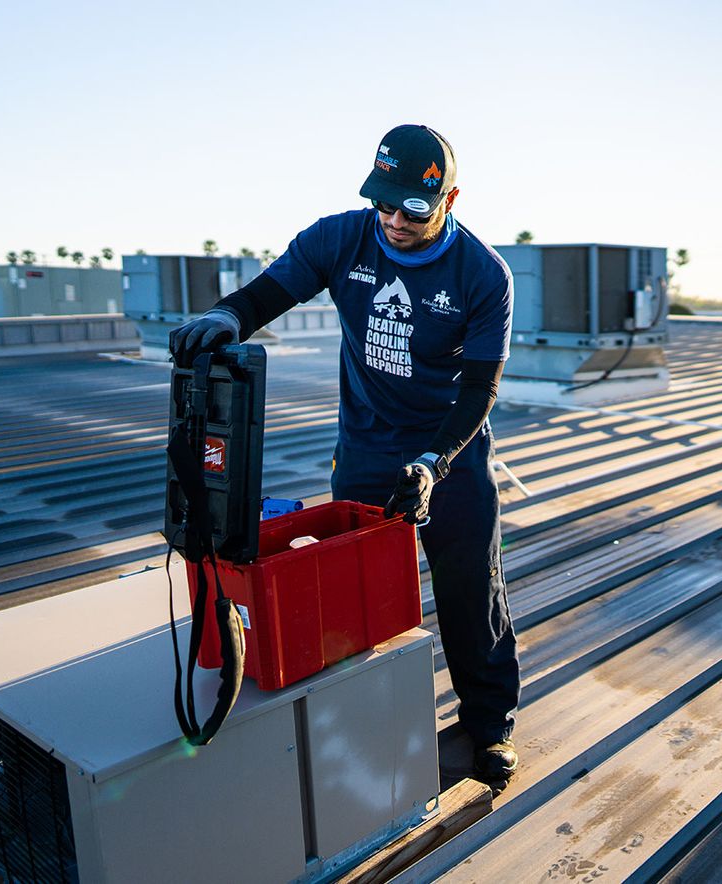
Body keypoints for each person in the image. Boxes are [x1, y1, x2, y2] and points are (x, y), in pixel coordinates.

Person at [170, 124, 520, 784]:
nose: (392, 220)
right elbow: (264, 296)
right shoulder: (341, 238)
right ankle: (368, 722)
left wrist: (431, 463)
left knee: (471, 590)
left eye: (410, 208)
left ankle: (488, 726)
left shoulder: (483, 274)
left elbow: (480, 389)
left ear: (450, 198)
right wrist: (225, 319)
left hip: (450, 452)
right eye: (381, 202)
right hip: (364, 452)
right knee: (357, 594)